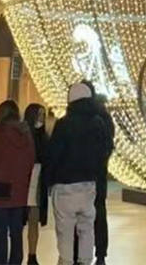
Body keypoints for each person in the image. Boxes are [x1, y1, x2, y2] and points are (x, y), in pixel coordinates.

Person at [46, 82, 109, 265]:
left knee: (65, 230)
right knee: (87, 228)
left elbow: (54, 154)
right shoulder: (98, 123)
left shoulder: (64, 124)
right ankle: (85, 260)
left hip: (65, 185)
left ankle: (66, 261)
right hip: (89, 184)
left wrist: (49, 180)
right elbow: (105, 150)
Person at [0, 99, 35, 265]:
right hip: (20, 192)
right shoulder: (26, 134)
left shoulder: (0, 134)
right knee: (17, 235)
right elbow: (31, 161)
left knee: (1, 237)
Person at [90, 91, 115, 265]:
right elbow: (109, 146)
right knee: (100, 212)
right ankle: (100, 254)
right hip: (100, 174)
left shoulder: (90, 120)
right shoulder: (106, 121)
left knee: (82, 216)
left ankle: (80, 254)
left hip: (86, 175)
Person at [24, 103, 49, 265]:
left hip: (38, 180)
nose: (42, 118)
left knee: (34, 219)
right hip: (25, 179)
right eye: (39, 115)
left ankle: (32, 254)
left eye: (43, 115)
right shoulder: (24, 134)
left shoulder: (44, 136)